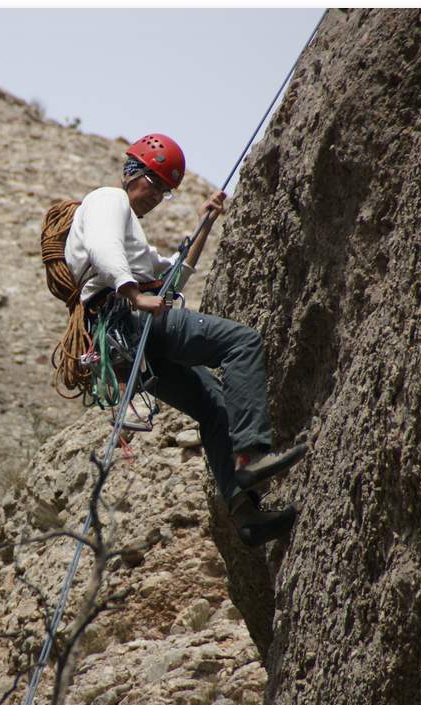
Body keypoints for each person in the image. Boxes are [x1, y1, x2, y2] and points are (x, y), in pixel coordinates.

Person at [63, 133, 306, 545]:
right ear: (132, 172)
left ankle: (245, 512)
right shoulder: (108, 199)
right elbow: (105, 251)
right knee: (241, 342)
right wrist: (135, 293)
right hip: (130, 322)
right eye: (154, 183)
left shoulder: (132, 236)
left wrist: (205, 222)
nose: (157, 195)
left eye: (165, 192)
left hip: (131, 347)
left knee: (212, 406)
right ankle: (252, 454)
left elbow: (174, 273)